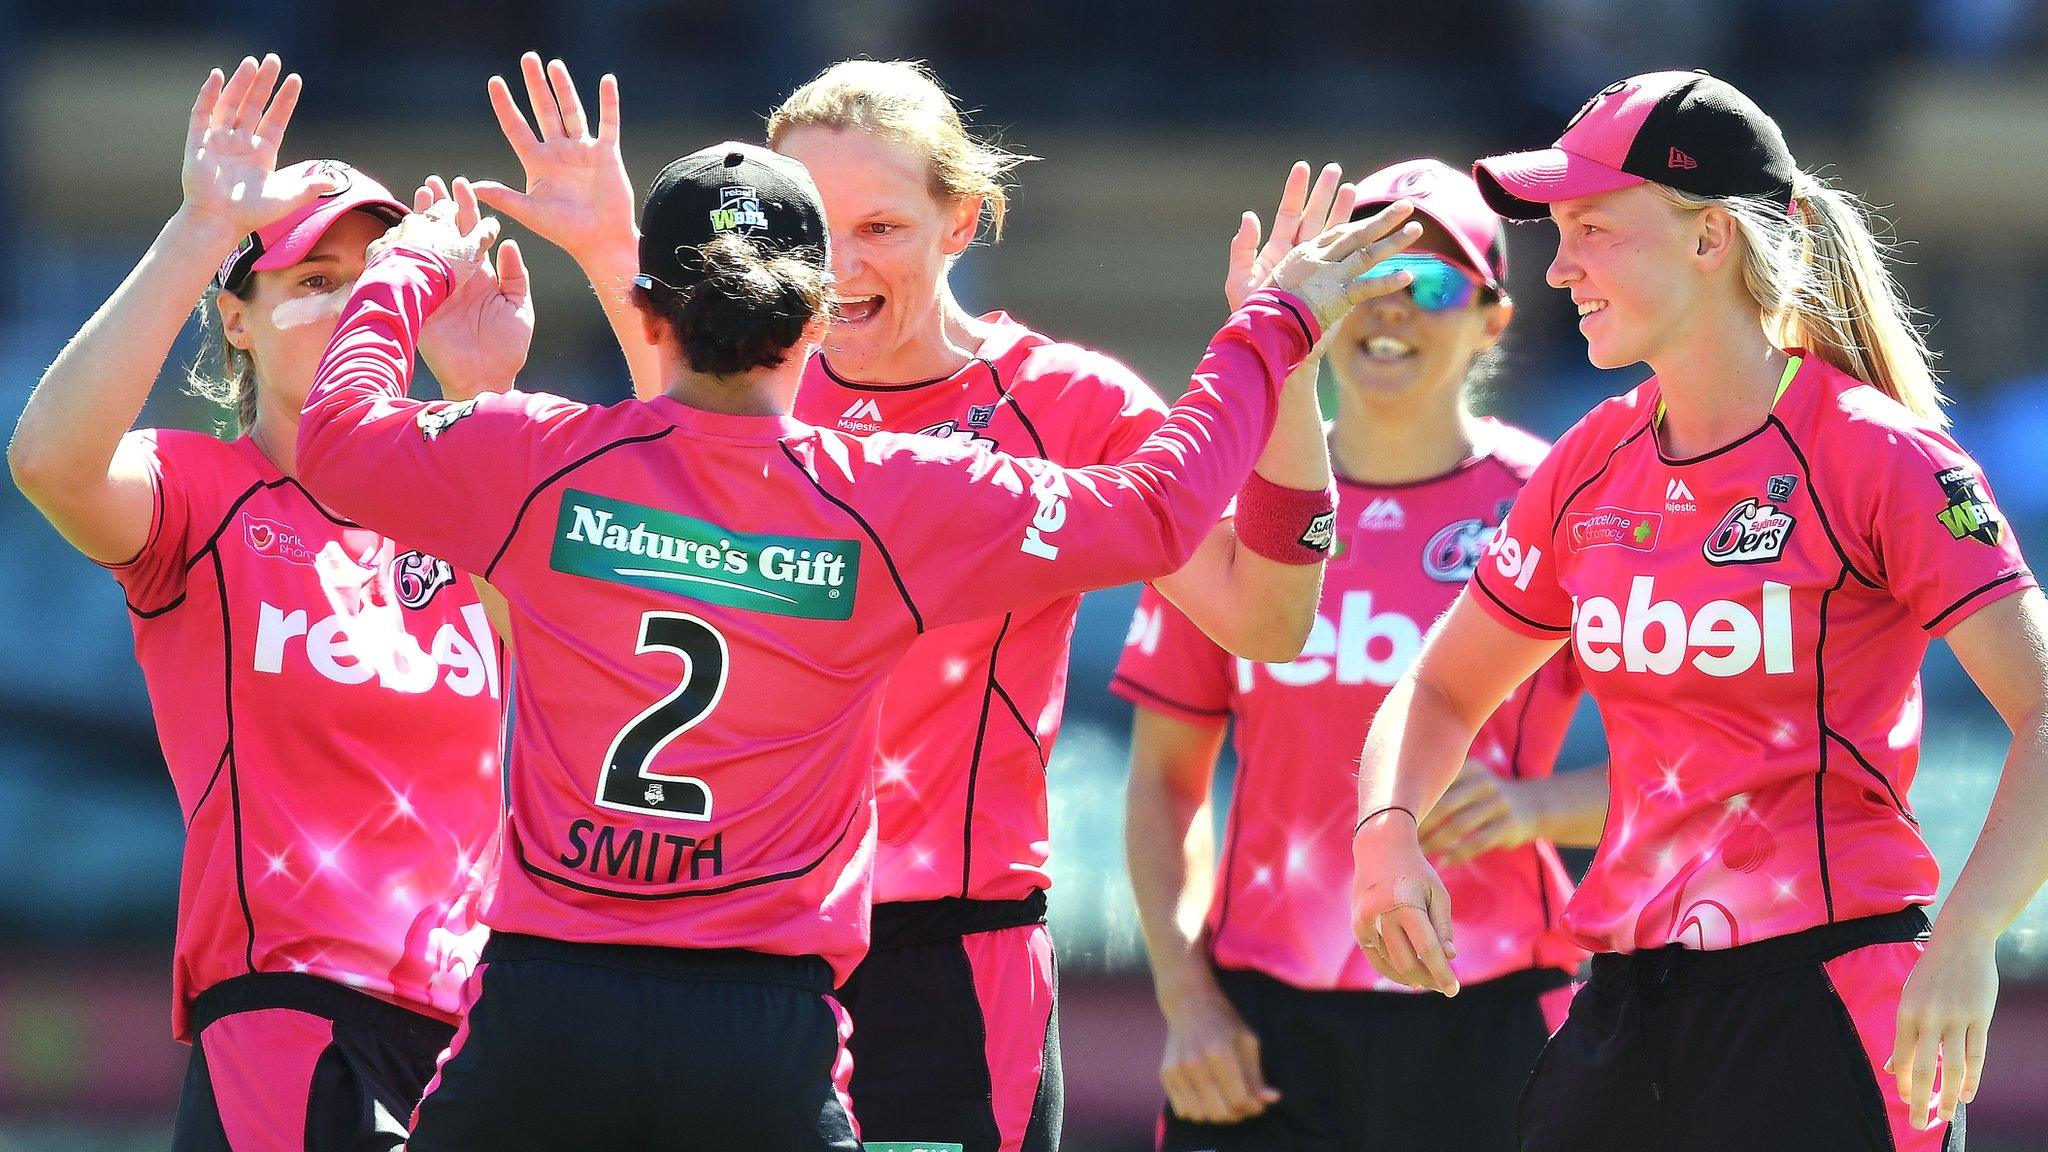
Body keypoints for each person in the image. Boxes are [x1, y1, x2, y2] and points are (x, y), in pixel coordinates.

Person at [295, 137, 1419, 1148]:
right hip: (768, 1019)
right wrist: (1270, 332)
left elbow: (336, 440)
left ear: (647, 312)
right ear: (808, 318)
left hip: (555, 1000)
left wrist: (411, 268)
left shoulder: (536, 455)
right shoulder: (891, 495)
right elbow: (1166, 508)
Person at [1347, 69, 2048, 1152]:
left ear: (1708, 238)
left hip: (1830, 1000)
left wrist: (1965, 938)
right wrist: (1384, 837)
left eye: (1590, 227)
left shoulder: (1876, 454)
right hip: (1623, 1015)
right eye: (1556, 230)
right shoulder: (1590, 460)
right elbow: (1438, 686)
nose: (1560, 264)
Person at [5, 56, 530, 1150]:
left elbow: (575, 656)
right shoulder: (203, 489)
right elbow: (52, 462)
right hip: (297, 1016)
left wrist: (485, 394)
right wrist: (202, 226)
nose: (350, 305)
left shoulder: (458, 503)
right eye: (311, 281)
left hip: (482, 1031)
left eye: (371, 277)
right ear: (234, 321)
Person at [1116, 158, 1607, 1152]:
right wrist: (1187, 998)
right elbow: (1165, 782)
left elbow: (1696, 762)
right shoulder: (1236, 509)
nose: (1392, 312)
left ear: (1491, 320)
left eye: (1431, 285)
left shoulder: (1558, 504)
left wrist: (1534, 809)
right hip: (1264, 1025)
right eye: (1367, 280)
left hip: (1493, 1010)